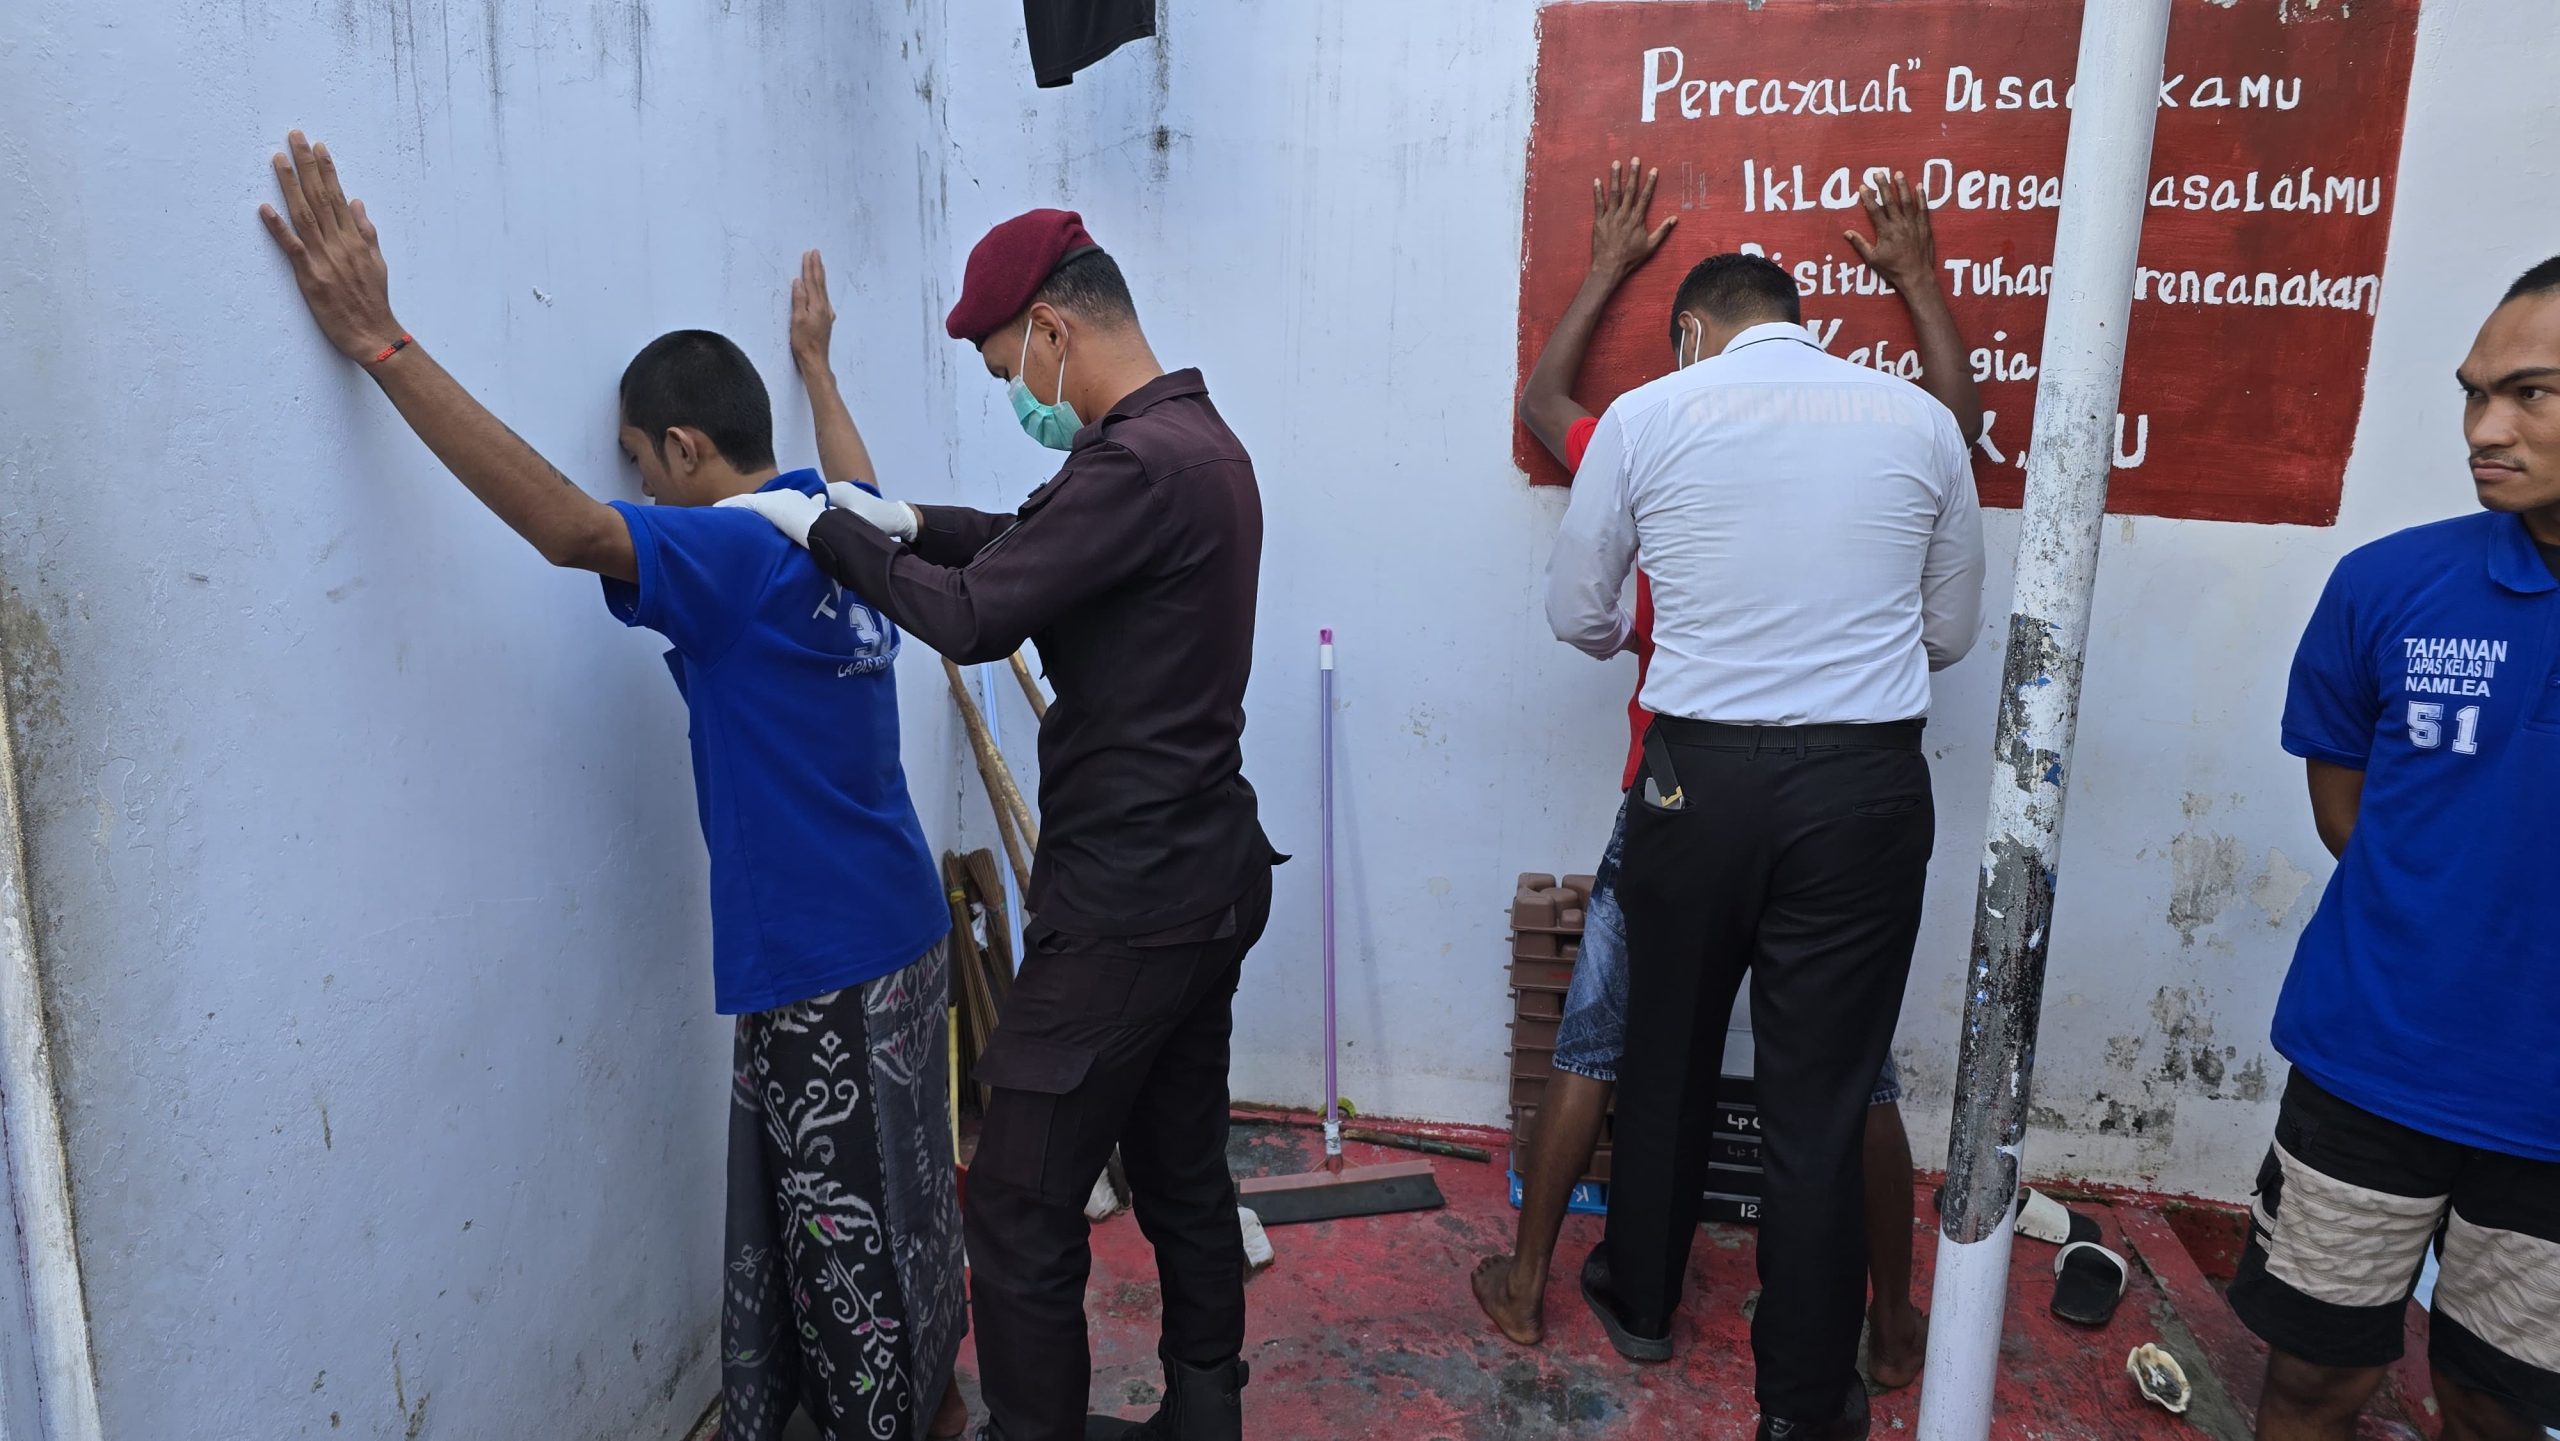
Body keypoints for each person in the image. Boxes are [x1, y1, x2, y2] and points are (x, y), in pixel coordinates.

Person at [257, 134, 970, 1441]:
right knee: (903, 1207)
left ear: (686, 448)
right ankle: (935, 1401)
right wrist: (817, 365)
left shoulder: (731, 554)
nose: (634, 486)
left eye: (639, 458)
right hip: (901, 936)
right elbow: (856, 471)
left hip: (823, 960)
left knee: (848, 1252)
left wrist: (381, 342)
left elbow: (567, 530)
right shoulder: (835, 522)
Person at [721, 211, 1277, 1441]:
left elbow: (976, 618)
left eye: (1001, 367)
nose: (1010, 391)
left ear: (1049, 330)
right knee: (1181, 1169)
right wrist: (909, 523)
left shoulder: (1134, 465)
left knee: (1020, 1204)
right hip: (1209, 875)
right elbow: (1027, 544)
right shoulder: (1189, 443)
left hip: (1130, 901)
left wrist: (826, 531)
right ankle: (1205, 1414)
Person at [1480, 163, 1982, 1395]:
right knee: (1825, 1097)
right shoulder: (1917, 422)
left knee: (1659, 1053)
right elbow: (1950, 632)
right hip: (1864, 786)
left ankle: (1640, 1302)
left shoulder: (1648, 417)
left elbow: (1577, 613)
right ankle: (1806, 1399)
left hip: (1694, 778)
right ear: (1798, 322)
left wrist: (1665, 642)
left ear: (1694, 333)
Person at [2231, 257, 2560, 1441]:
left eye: (2530, 393)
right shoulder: (2387, 585)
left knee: (2493, 1408)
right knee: (2311, 1385)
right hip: (2371, 1069)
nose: (2484, 429)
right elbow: (2346, 814)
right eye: (2474, 393)